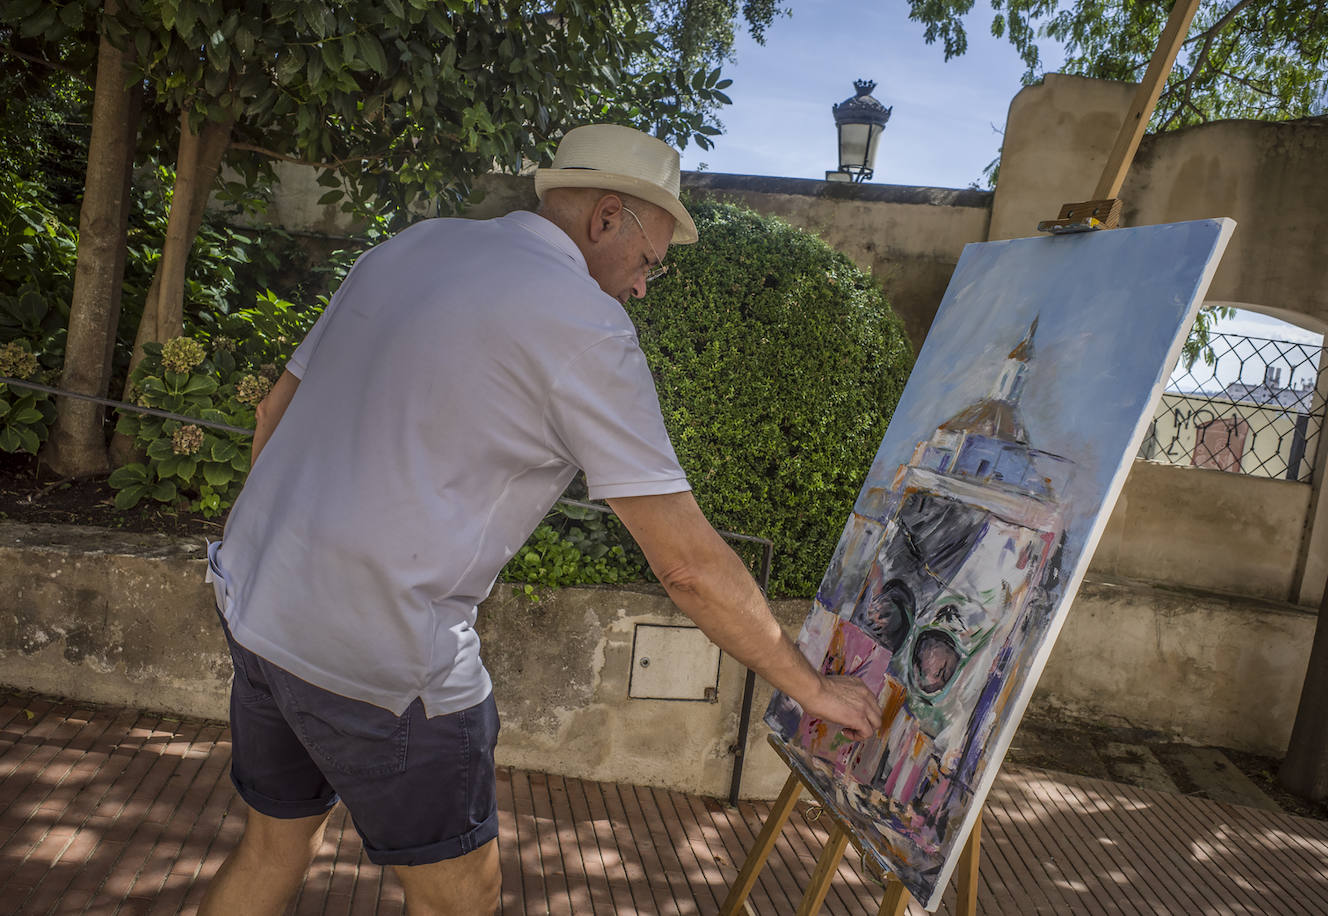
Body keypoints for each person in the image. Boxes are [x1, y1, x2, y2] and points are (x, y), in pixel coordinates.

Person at [197, 123, 881, 916]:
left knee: (271, 847)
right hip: (381, 659)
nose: (643, 287)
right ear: (605, 218)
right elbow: (686, 565)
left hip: (256, 602)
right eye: (649, 261)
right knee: (464, 898)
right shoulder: (583, 326)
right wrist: (811, 688)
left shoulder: (413, 246)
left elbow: (273, 414)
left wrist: (285, 568)